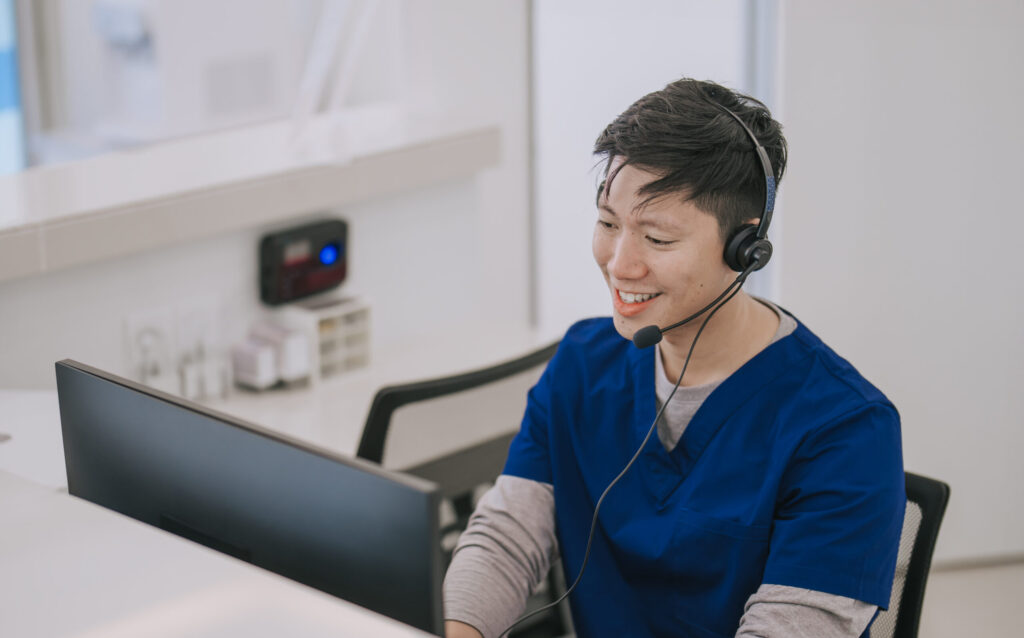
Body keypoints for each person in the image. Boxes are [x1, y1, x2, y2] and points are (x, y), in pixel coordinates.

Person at [443, 78, 905, 638]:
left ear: (745, 248)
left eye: (657, 239)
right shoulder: (583, 363)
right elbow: (507, 539)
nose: (619, 263)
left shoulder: (846, 429)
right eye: (609, 223)